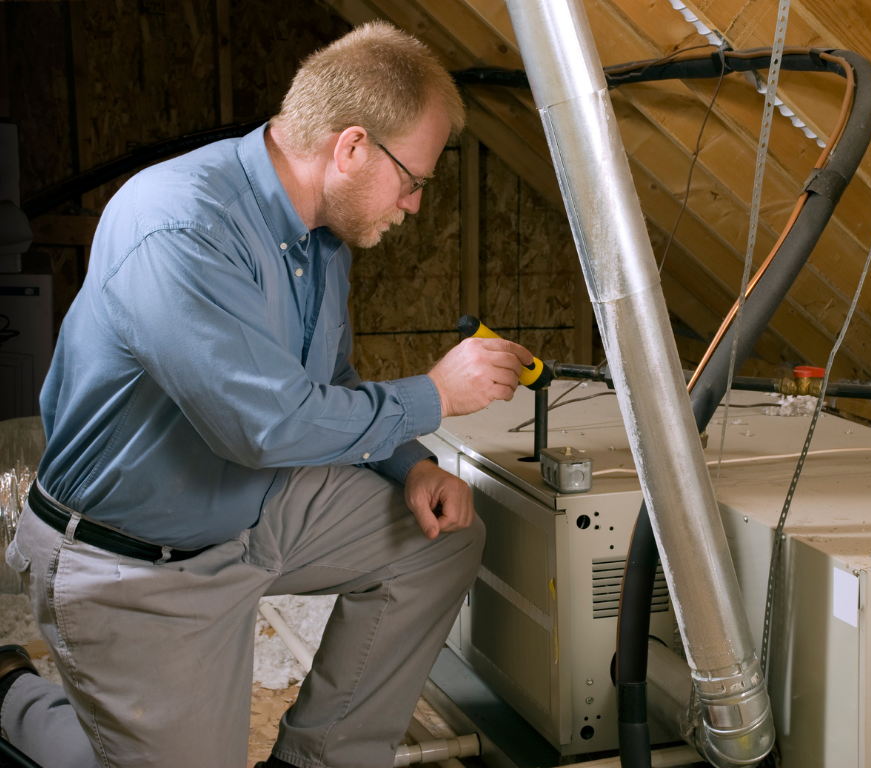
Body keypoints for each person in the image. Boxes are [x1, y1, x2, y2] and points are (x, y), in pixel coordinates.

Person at [0, 22, 534, 768]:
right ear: (351, 147)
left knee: (442, 539)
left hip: (248, 510)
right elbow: (263, 428)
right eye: (414, 179)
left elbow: (330, 388)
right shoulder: (180, 225)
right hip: (134, 563)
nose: (414, 205)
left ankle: (319, 759)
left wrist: (410, 465)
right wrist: (435, 395)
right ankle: (14, 699)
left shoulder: (320, 238)